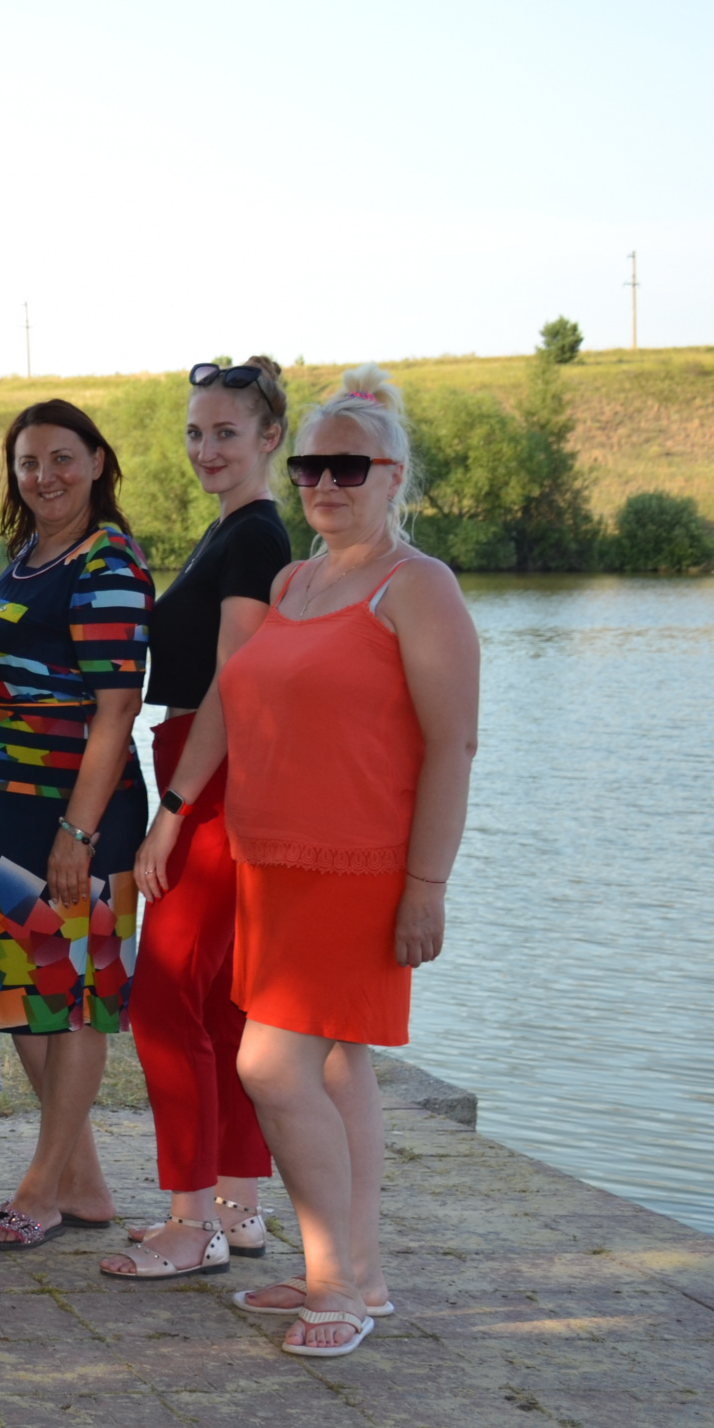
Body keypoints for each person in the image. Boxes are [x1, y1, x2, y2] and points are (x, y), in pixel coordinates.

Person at [150, 365, 478, 1357]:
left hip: (356, 871)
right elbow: (226, 699)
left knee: (269, 1064)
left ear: (393, 476)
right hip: (272, 865)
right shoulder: (294, 581)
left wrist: (427, 887)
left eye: (348, 467)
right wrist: (174, 813)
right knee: (338, 1069)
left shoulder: (418, 587)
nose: (324, 484)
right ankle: (354, 1269)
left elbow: (453, 745)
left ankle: (339, 1281)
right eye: (309, 468)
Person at [0, 400, 153, 1251]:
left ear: (98, 462)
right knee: (16, 997)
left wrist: (80, 832)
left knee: (73, 1002)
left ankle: (42, 1187)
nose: (45, 476)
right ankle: (85, 1183)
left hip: (72, 813)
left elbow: (118, 708)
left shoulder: (107, 562)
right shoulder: (29, 557)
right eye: (28, 462)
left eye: (62, 458)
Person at [102, 359, 292, 1282]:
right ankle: (236, 1207)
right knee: (217, 1004)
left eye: (225, 432)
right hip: (208, 773)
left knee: (164, 999)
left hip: (209, 779)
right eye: (194, 432)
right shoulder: (234, 530)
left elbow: (234, 686)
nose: (205, 449)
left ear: (270, 438)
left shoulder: (254, 537)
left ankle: (189, 1224)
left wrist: (173, 812)